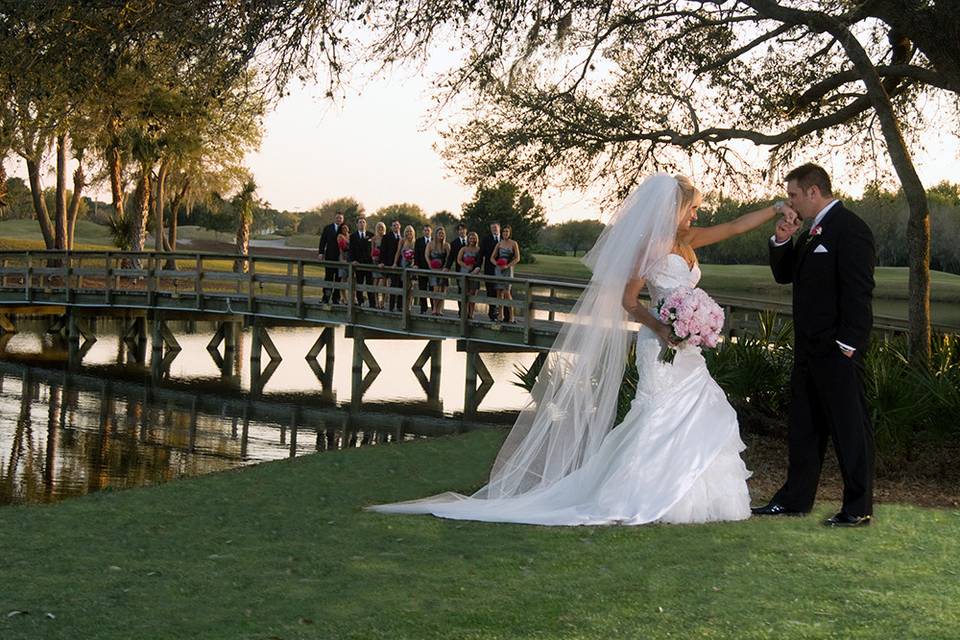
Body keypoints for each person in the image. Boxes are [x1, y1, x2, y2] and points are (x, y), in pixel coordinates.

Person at [368, 173, 781, 525]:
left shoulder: (689, 240)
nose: (698, 214)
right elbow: (629, 301)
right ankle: (639, 493)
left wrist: (775, 209)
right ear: (675, 208)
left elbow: (736, 227)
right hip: (658, 342)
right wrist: (663, 326)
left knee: (698, 409)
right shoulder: (650, 248)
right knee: (656, 414)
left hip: (686, 346)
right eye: (693, 208)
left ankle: (693, 495)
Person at [752, 163, 876, 528]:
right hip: (807, 351)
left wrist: (848, 344)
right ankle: (795, 500)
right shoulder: (809, 233)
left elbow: (859, 291)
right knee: (803, 429)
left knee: (850, 430)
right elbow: (784, 274)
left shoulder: (850, 229)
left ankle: (857, 508)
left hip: (837, 351)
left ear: (813, 191)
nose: (789, 202)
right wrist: (782, 238)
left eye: (793, 195)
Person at [490, 225, 520, 323]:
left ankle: (512, 316)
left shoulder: (514, 243)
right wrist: (497, 264)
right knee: (499, 293)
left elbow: (517, 258)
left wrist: (508, 265)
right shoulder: (499, 244)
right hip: (498, 270)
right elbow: (492, 258)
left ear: (510, 233)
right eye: (503, 232)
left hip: (508, 269)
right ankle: (500, 316)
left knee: (507, 293)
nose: (505, 233)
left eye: (507, 232)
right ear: (501, 233)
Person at [349, 216, 376, 307]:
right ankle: (360, 302)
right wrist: (352, 261)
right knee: (359, 283)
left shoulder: (371, 235)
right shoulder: (353, 236)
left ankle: (372, 304)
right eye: (360, 222)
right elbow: (351, 250)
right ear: (357, 224)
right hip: (358, 264)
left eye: (363, 222)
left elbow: (375, 249)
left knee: (370, 284)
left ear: (366, 224)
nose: (362, 224)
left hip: (369, 264)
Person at [318, 212, 344, 304]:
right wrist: (321, 252)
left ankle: (336, 298)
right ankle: (326, 297)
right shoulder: (328, 228)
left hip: (340, 258)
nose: (339, 220)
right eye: (337, 218)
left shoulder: (345, 229)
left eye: (340, 218)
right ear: (334, 218)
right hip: (329, 256)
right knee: (328, 277)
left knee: (338, 278)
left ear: (343, 219)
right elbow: (322, 241)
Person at [456, 231, 482, 320]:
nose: (472, 239)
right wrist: (466, 266)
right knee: (465, 293)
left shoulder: (479, 249)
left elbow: (480, 261)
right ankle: (465, 312)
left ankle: (471, 313)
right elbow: (459, 260)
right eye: (471, 238)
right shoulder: (463, 249)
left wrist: (475, 269)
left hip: (475, 273)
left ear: (476, 239)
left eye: (474, 238)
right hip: (464, 272)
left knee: (473, 294)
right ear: (468, 239)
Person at [425, 226, 451, 316]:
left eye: (442, 233)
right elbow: (426, 256)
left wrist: (446, 268)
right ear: (436, 234)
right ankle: (434, 309)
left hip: (443, 270)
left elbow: (449, 258)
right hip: (434, 270)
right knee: (436, 290)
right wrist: (430, 266)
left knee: (443, 291)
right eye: (439, 233)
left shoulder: (446, 245)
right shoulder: (430, 244)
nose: (441, 235)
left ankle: (439, 310)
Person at [479, 222, 501, 321]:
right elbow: (481, 255)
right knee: (491, 292)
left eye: (495, 227)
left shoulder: (505, 239)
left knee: (502, 292)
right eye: (492, 228)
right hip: (489, 269)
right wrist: (478, 267)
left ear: (499, 228)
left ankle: (503, 314)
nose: (494, 229)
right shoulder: (486, 239)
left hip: (503, 270)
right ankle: (492, 314)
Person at [446, 223, 469, 314]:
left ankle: (469, 312)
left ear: (466, 230)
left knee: (470, 291)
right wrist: (447, 267)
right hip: (459, 270)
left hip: (471, 270)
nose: (461, 231)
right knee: (460, 290)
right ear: (457, 232)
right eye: (459, 230)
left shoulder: (471, 240)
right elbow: (451, 257)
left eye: (463, 229)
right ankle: (461, 311)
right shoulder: (454, 243)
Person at [395, 225, 418, 313]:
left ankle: (409, 305)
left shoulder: (415, 242)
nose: (409, 233)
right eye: (407, 231)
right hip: (403, 265)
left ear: (413, 233)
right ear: (405, 233)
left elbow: (417, 255)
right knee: (402, 285)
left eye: (410, 231)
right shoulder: (402, 241)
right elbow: (398, 252)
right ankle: (400, 306)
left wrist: (414, 262)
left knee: (410, 286)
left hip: (411, 266)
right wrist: (394, 263)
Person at [381, 220, 403, 312]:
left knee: (402, 286)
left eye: (397, 225)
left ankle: (399, 306)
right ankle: (391, 307)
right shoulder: (386, 237)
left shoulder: (403, 237)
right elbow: (383, 250)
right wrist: (382, 262)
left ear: (400, 226)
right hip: (391, 265)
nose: (396, 227)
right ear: (391, 227)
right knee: (393, 286)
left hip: (402, 265)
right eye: (394, 225)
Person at [414, 225, 432, 314]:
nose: (427, 232)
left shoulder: (434, 241)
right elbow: (416, 254)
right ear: (423, 232)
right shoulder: (418, 241)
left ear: (431, 231)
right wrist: (416, 264)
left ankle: (434, 309)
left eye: (428, 230)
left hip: (432, 269)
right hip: (421, 268)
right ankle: (423, 309)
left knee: (433, 289)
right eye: (425, 230)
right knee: (422, 288)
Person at [371, 221, 388, 309]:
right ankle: (376, 301)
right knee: (376, 282)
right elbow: (372, 251)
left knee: (384, 282)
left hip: (383, 262)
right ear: (377, 229)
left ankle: (383, 302)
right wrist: (374, 257)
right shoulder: (374, 239)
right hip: (376, 262)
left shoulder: (386, 238)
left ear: (384, 229)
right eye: (379, 227)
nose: (380, 229)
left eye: (382, 227)